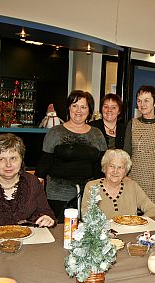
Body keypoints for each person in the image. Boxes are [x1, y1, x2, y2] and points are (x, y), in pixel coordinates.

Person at [35, 90, 107, 223]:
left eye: (83, 107)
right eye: (75, 106)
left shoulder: (97, 134)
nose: (78, 110)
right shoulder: (55, 132)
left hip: (89, 195)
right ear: (69, 108)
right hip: (58, 194)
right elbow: (44, 163)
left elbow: (102, 165)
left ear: (89, 110)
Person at [124, 85, 155, 206]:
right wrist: (123, 177)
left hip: (154, 182)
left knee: (152, 218)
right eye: (139, 101)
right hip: (133, 178)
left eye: (146, 100)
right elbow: (126, 154)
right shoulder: (132, 124)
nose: (142, 104)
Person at [81, 149, 155, 219]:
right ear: (105, 168)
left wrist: (137, 222)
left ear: (125, 171)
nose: (115, 171)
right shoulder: (92, 186)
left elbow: (153, 209)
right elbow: (86, 215)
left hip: (129, 233)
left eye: (120, 167)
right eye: (112, 166)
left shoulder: (132, 186)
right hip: (102, 234)